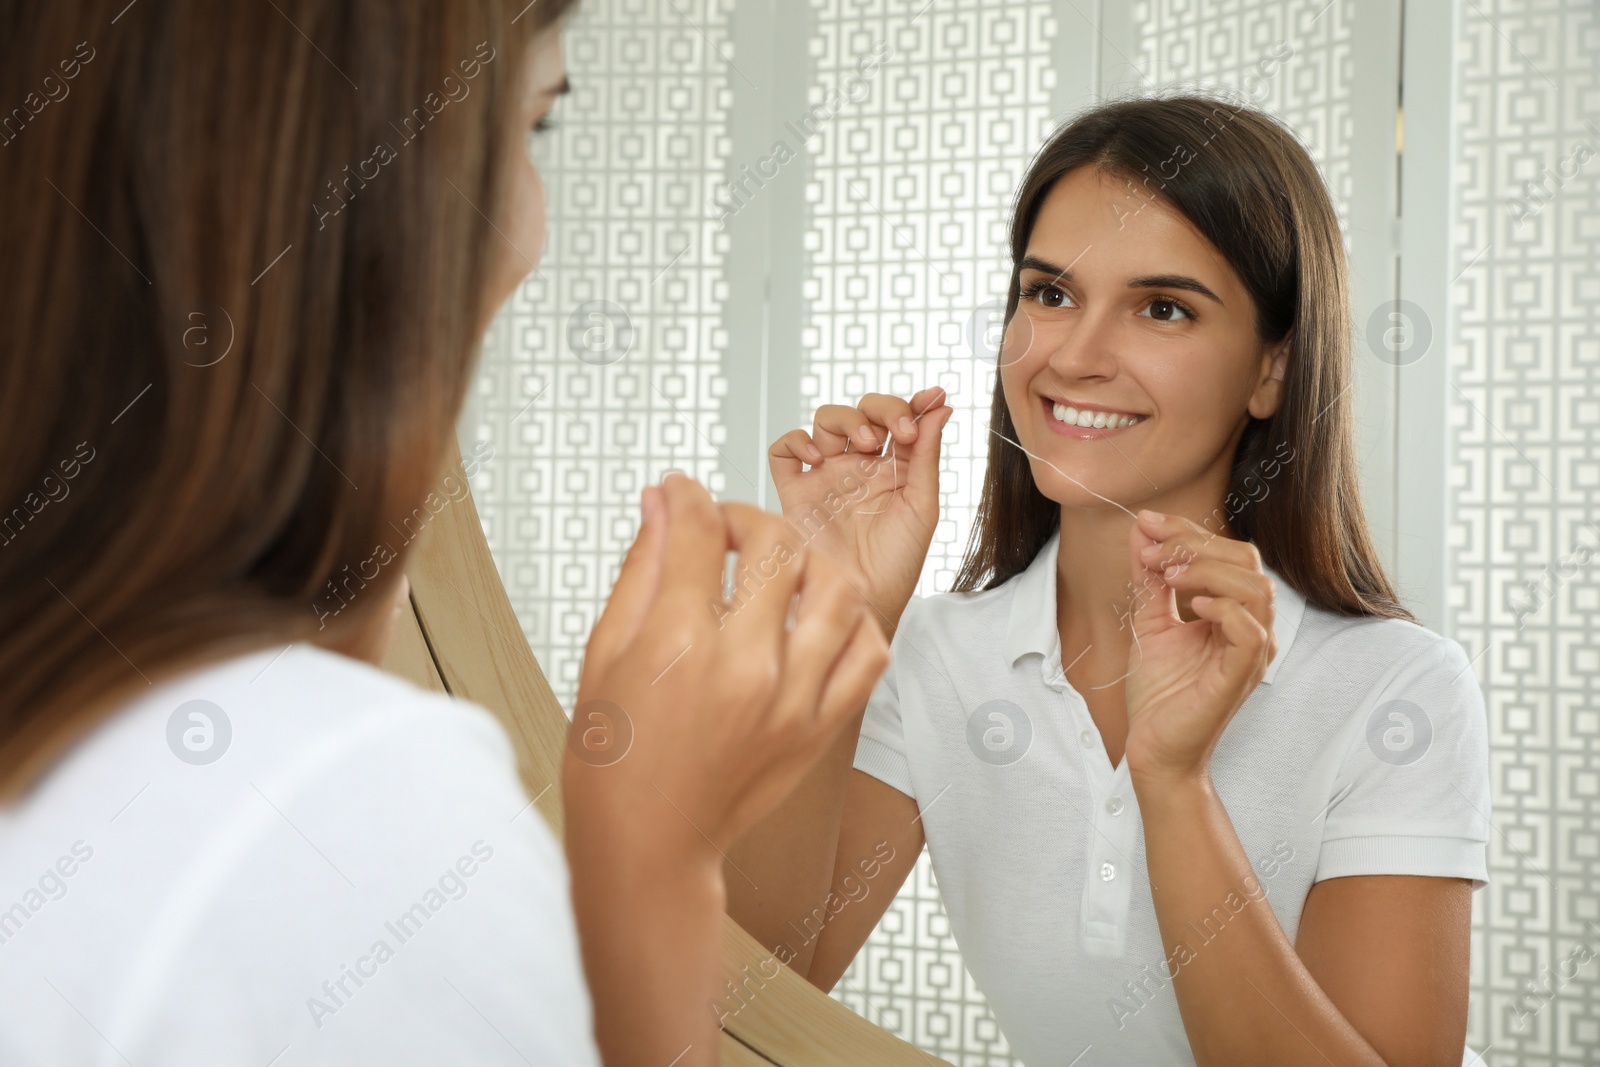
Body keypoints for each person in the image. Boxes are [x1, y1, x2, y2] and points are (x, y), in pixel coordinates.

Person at [0, 3, 890, 1065]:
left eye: (1155, 305)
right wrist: (653, 853)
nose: (533, 234)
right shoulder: (346, 799)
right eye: (533, 125)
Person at [729, 96, 1491, 1065]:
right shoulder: (935, 660)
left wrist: (1172, 787)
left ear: (1273, 367)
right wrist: (840, 614)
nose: (1074, 357)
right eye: (1049, 294)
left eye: (1162, 307)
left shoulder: (1395, 689)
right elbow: (747, 985)